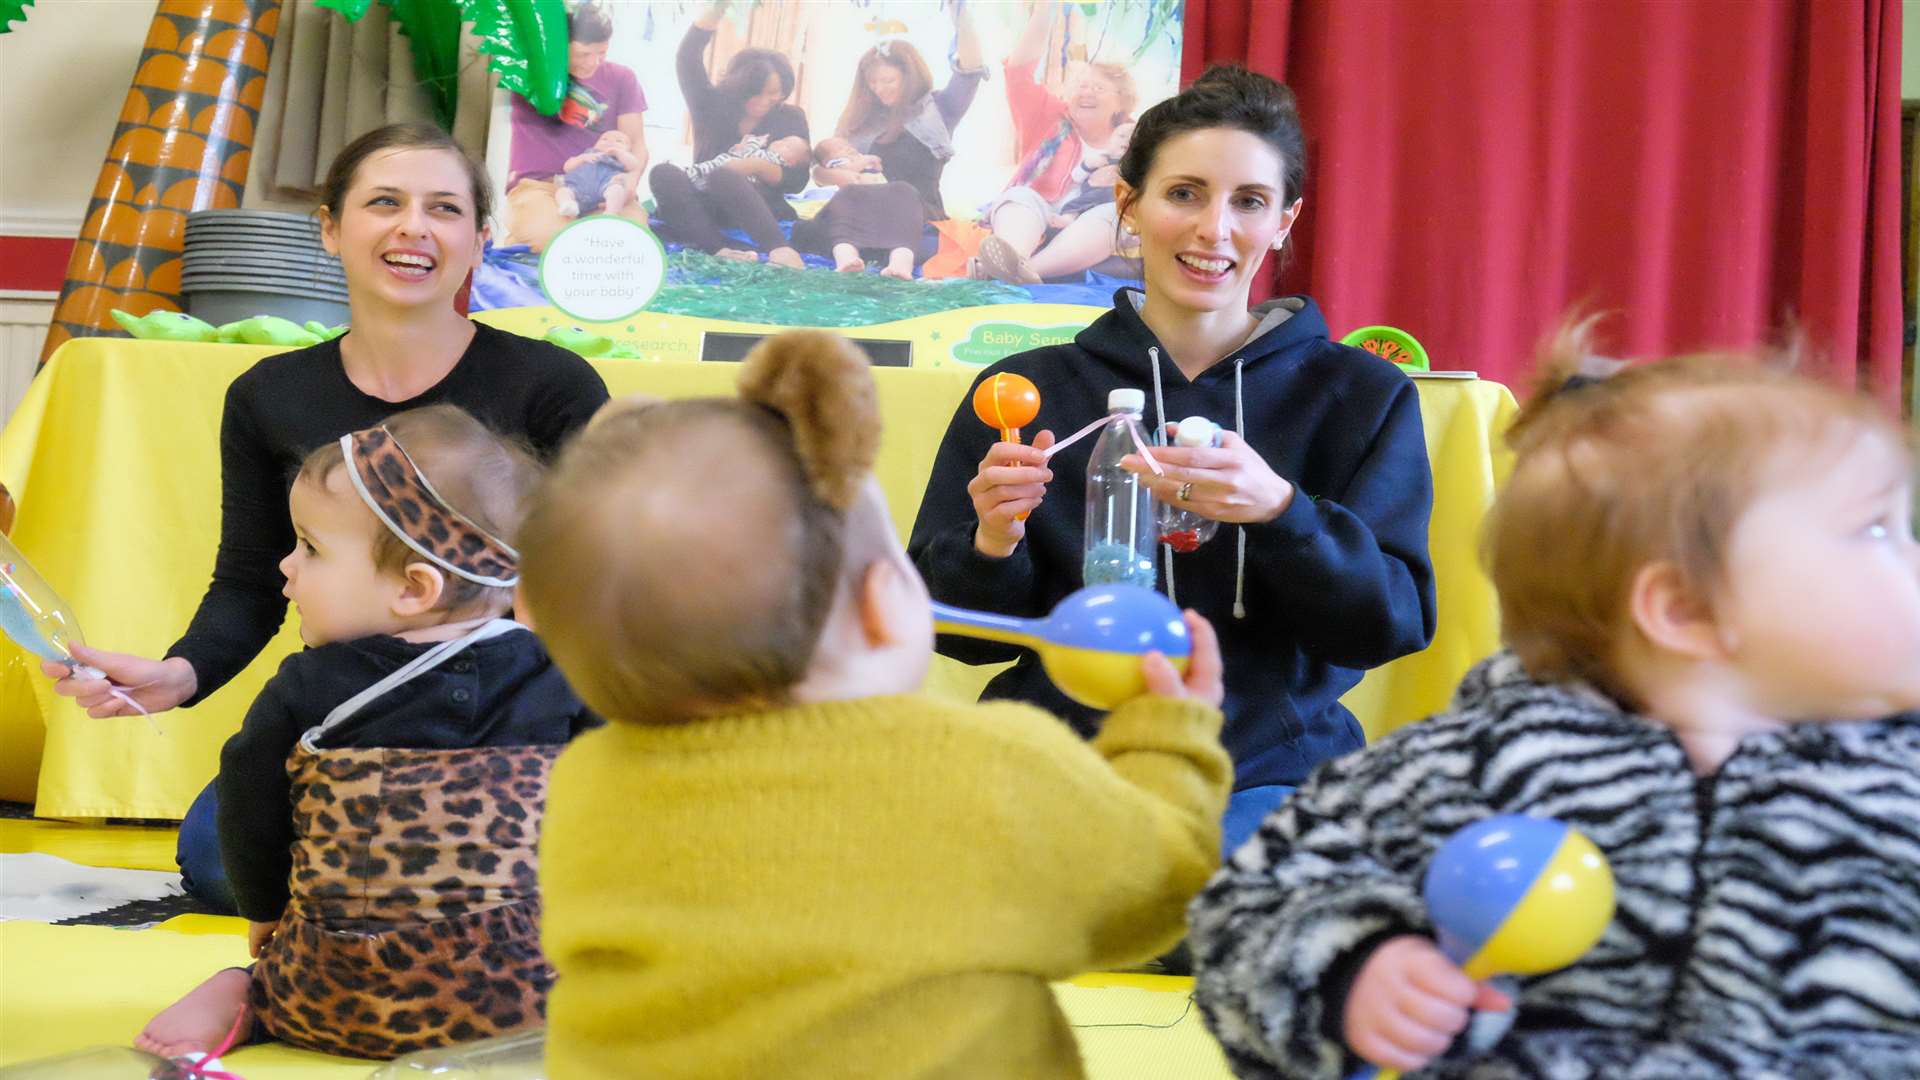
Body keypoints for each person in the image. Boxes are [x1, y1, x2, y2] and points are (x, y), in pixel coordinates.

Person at [1188, 327, 1920, 1079]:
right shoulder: (1478, 768)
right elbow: (1252, 908)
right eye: (1874, 531)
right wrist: (1350, 974)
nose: (1914, 558)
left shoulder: (1897, 786)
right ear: (1685, 610)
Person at [522, 331, 1233, 1077]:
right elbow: (1151, 897)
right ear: (887, 603)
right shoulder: (985, 763)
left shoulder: (583, 785)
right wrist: (1167, 738)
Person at [43, 122, 610, 914]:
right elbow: (249, 578)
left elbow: (593, 584)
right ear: (331, 228)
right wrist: (179, 673)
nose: (414, 226)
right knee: (218, 859)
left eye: (443, 209)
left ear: (479, 240)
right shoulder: (267, 395)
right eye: (385, 202)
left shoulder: (554, 386)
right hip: (349, 712)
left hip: (514, 713)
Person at [910, 65, 1435, 858]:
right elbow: (957, 634)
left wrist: (1281, 513)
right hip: (1052, 762)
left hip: (1268, 775)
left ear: (1285, 221)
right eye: (1184, 193)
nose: (1213, 230)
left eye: (1249, 202)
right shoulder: (1029, 391)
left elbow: (1388, 622)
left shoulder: (1361, 396)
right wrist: (992, 543)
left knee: (1226, 902)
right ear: (1129, 204)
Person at [132, 405, 593, 1061]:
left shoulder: (306, 686)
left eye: (311, 549)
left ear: (414, 587)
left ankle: (250, 991)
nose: (286, 569)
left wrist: (265, 915)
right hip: (523, 1004)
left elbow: (249, 809)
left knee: (283, 963)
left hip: (326, 993)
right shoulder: (564, 675)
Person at [793, 10, 987, 280]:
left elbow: (970, 71)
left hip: (915, 214)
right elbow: (821, 169)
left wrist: (961, 13)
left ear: (909, 77)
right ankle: (848, 257)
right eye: (872, 82)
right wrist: (843, 175)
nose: (879, 89)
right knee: (824, 219)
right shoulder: (861, 119)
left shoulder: (938, 109)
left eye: (888, 81)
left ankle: (897, 261)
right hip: (859, 211)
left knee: (903, 195)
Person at [972, 1, 1138, 285]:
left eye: (1098, 88)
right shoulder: (1048, 116)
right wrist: (1043, 10)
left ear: (1121, 101)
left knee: (1117, 213)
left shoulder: (1135, 138)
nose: (1086, 93)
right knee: (1019, 197)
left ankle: (1025, 271)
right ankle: (1012, 258)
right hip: (1035, 220)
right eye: (1080, 86)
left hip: (1089, 228)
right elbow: (1018, 70)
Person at [648, 0, 810, 268]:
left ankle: (780, 250)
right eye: (756, 93)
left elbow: (797, 181)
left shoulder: (790, 117)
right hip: (705, 206)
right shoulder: (710, 104)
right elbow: (687, 58)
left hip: (756, 206)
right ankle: (718, 248)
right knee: (662, 173)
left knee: (724, 175)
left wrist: (754, 165)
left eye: (775, 94)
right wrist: (717, 8)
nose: (765, 101)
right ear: (738, 87)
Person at [505, 2, 651, 250]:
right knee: (556, 239)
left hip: (605, 185)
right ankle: (525, 236)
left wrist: (630, 184)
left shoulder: (622, 78)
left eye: (602, 53)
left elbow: (636, 142)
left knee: (631, 241)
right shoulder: (527, 74)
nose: (593, 63)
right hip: (543, 188)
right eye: (583, 54)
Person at [553, 130, 646, 219]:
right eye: (604, 139)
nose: (610, 142)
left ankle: (611, 213)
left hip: (604, 188)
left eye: (619, 141)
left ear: (628, 150)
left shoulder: (620, 159)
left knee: (616, 190)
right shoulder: (587, 154)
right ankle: (569, 204)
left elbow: (633, 165)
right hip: (577, 188)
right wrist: (582, 158)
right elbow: (567, 167)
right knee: (563, 191)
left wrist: (619, 153)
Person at [681, 132, 811, 192]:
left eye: (786, 146)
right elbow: (740, 153)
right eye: (783, 139)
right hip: (726, 164)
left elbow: (749, 155)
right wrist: (739, 148)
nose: (779, 142)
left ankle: (688, 176)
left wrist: (754, 141)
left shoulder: (775, 160)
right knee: (707, 169)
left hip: (732, 174)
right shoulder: (766, 153)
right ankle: (689, 177)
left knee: (707, 170)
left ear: (791, 162)